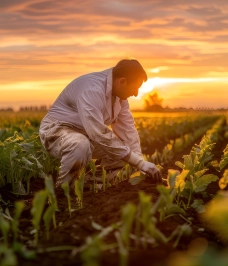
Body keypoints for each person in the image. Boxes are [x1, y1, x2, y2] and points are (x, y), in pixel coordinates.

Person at [39, 58, 161, 187]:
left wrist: (141, 165)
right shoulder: (92, 89)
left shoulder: (121, 99)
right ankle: (64, 192)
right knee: (80, 144)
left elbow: (128, 131)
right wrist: (139, 163)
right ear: (122, 81)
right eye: (135, 88)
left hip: (86, 134)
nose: (136, 94)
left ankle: (91, 184)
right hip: (57, 130)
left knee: (126, 150)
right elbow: (98, 132)